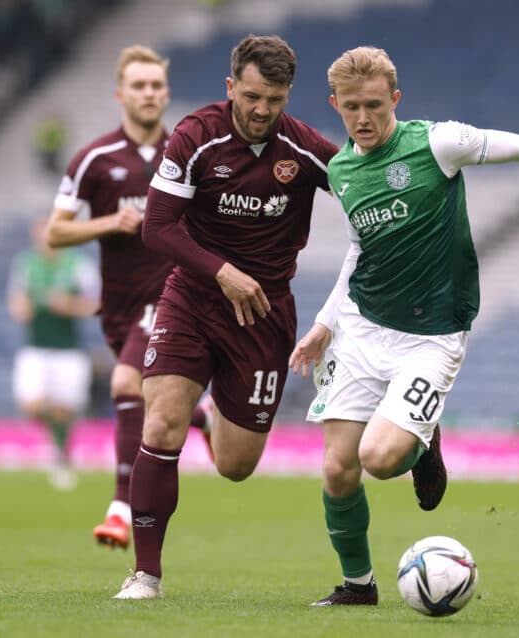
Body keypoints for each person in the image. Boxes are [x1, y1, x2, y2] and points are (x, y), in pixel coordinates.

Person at [289, 46, 519, 606]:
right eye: (351, 108)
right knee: (336, 469)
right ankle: (358, 586)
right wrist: (325, 322)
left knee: (379, 460)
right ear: (335, 104)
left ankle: (423, 445)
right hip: (361, 326)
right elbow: (360, 249)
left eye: (375, 105)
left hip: (432, 336)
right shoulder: (342, 169)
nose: (363, 119)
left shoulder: (437, 143)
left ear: (395, 99)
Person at [112, 34, 339, 600]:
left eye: (276, 99)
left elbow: (363, 190)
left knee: (235, 466)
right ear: (231, 86)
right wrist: (220, 271)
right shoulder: (195, 136)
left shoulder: (305, 148)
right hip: (192, 297)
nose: (263, 110)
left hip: (264, 314)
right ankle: (146, 575)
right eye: (253, 95)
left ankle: (212, 412)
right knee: (160, 422)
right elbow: (157, 227)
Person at [45, 45, 211, 548]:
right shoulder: (94, 160)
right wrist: (108, 222)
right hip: (119, 309)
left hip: (171, 299)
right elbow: (55, 233)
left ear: (166, 93)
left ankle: (120, 508)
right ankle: (199, 414)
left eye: (157, 85)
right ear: (121, 94)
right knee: (142, 390)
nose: (149, 94)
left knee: (125, 381)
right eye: (139, 86)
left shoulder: (186, 154)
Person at [8, 217, 100, 490]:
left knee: (65, 409)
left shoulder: (79, 265)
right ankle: (58, 446)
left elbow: (98, 305)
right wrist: (21, 309)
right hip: (35, 347)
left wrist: (69, 305)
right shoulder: (25, 264)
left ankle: (61, 457)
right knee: (30, 404)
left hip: (69, 349)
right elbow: (16, 304)